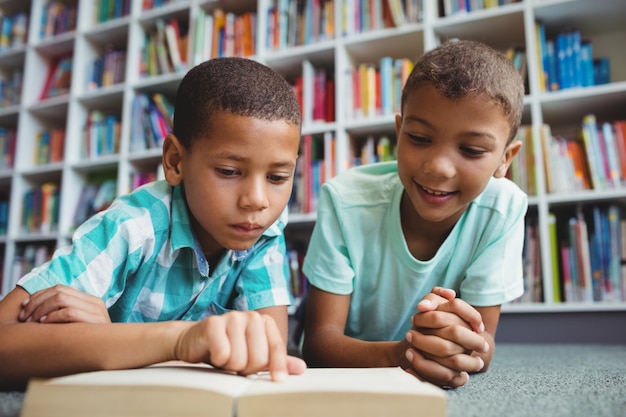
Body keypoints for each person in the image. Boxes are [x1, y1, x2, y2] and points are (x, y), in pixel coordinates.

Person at [0, 57, 307, 390]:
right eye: (229, 172)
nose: (257, 200)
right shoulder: (133, 227)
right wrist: (178, 340)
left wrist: (110, 338)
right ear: (175, 162)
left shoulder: (263, 231)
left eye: (277, 177)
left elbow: (265, 350)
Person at [300, 39, 527, 389]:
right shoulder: (344, 200)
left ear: (505, 159)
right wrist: (402, 355)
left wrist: (462, 347)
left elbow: (483, 344)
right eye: (419, 137)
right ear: (398, 130)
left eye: (471, 149)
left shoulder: (503, 209)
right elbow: (317, 346)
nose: (437, 168)